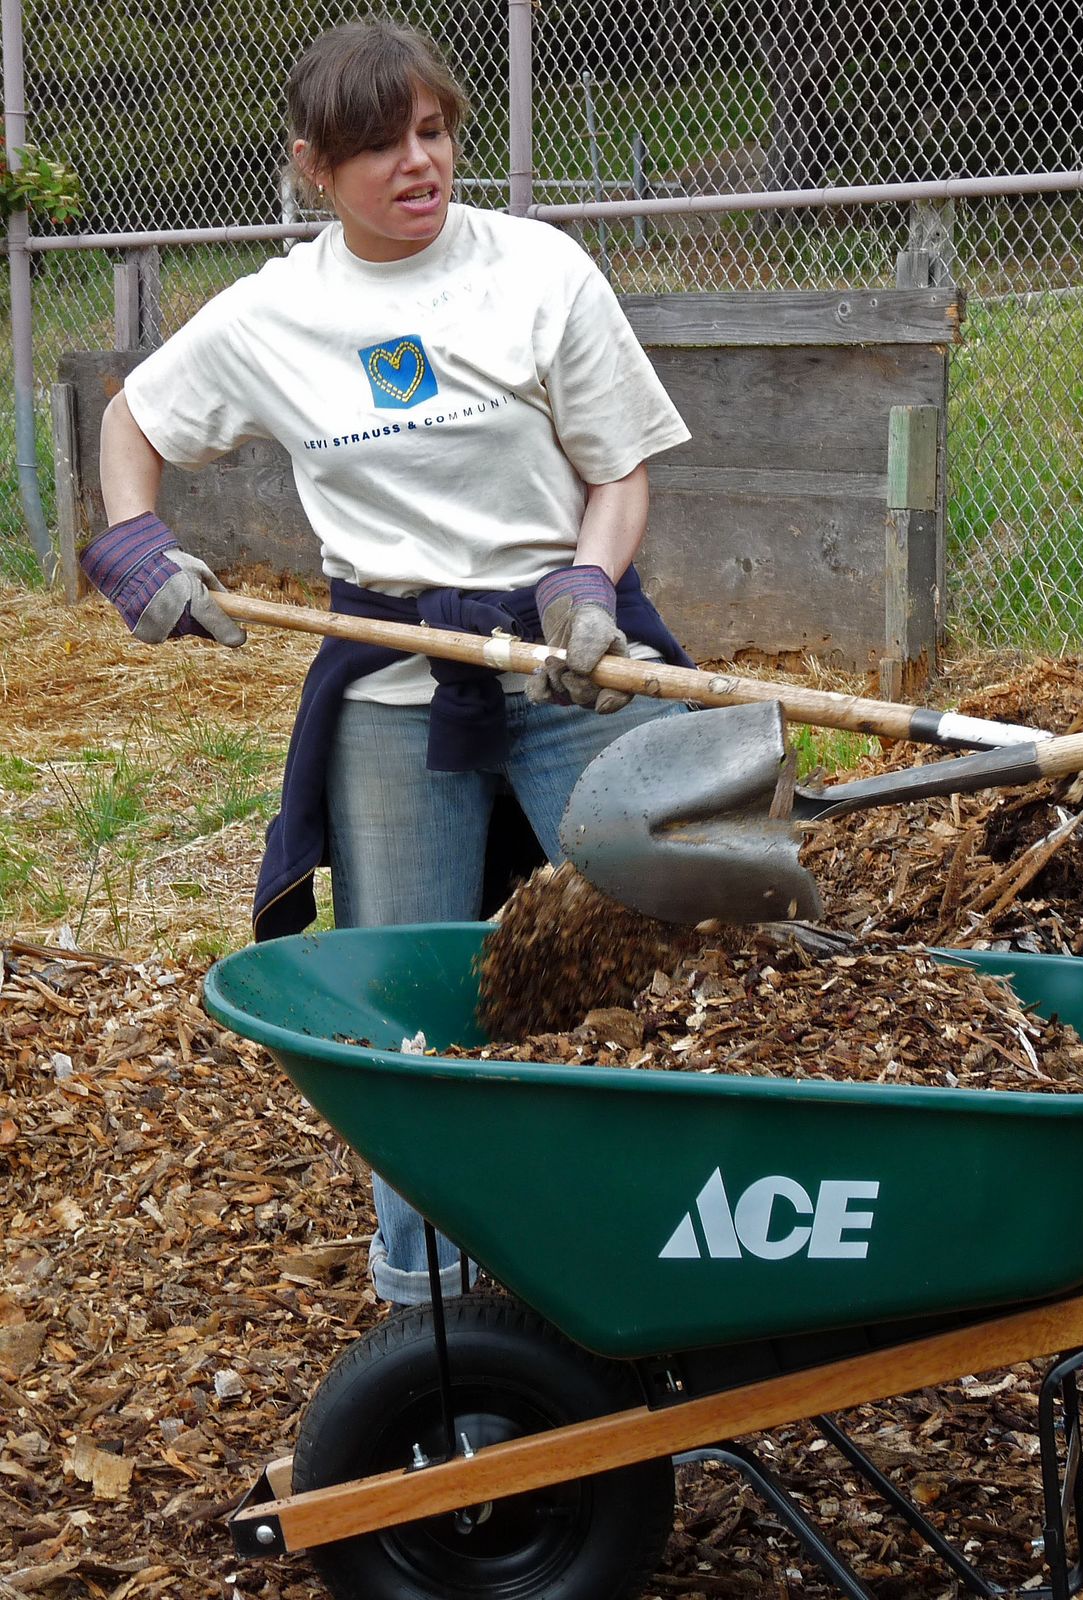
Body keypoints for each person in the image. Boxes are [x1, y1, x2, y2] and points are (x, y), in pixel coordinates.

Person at [82, 19, 694, 1308]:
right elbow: (133, 415)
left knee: (656, 960)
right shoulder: (276, 312)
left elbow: (619, 467)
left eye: (432, 131)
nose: (418, 162)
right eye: (378, 146)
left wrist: (588, 586)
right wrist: (134, 540)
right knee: (403, 998)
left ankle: (656, 1269)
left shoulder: (538, 269)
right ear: (315, 168)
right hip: (395, 686)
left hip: (569, 661)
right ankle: (430, 1303)